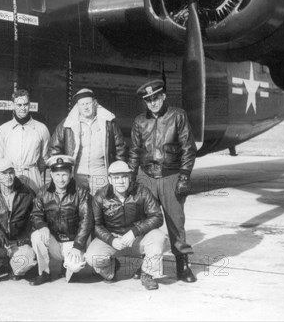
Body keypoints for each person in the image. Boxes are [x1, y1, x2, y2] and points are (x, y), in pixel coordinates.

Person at [129, 79, 198, 283]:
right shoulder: (140, 121)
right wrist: (132, 179)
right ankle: (147, 264)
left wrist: (184, 176)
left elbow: (188, 148)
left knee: (175, 221)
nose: (153, 103)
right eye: (148, 100)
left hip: (171, 175)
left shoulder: (178, 116)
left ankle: (182, 264)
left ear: (164, 96)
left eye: (156, 98)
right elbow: (134, 151)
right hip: (146, 176)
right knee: (145, 221)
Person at [85, 160, 167, 290]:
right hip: (112, 238)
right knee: (92, 257)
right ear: (110, 179)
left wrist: (134, 232)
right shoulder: (101, 196)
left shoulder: (142, 191)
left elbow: (157, 216)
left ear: (129, 177)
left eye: (124, 177)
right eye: (116, 178)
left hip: (137, 238)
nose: (121, 181)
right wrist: (111, 240)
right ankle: (111, 270)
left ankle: (147, 273)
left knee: (159, 238)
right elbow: (96, 225)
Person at [29, 155, 93, 286]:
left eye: (64, 174)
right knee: (36, 236)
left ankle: (67, 268)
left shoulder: (81, 192)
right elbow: (36, 214)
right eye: (57, 175)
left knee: (74, 267)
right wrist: (42, 226)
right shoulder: (43, 192)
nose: (61, 179)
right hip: (53, 240)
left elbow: (86, 220)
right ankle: (44, 273)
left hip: (72, 242)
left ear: (70, 174)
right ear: (51, 174)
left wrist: (78, 246)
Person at [49, 88, 127, 195]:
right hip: (77, 174)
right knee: (78, 206)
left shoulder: (108, 123)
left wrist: (118, 171)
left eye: (88, 103)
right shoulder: (67, 125)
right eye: (82, 104)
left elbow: (120, 148)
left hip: (101, 173)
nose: (86, 107)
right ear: (77, 106)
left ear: (95, 103)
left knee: (100, 204)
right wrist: (62, 171)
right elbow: (54, 149)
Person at [0, 89, 50, 193]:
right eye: (19, 105)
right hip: (10, 175)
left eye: (25, 104)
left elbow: (44, 159)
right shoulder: (4, 129)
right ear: (13, 105)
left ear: (30, 105)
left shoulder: (41, 129)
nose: (23, 108)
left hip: (33, 175)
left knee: (35, 206)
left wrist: (33, 170)